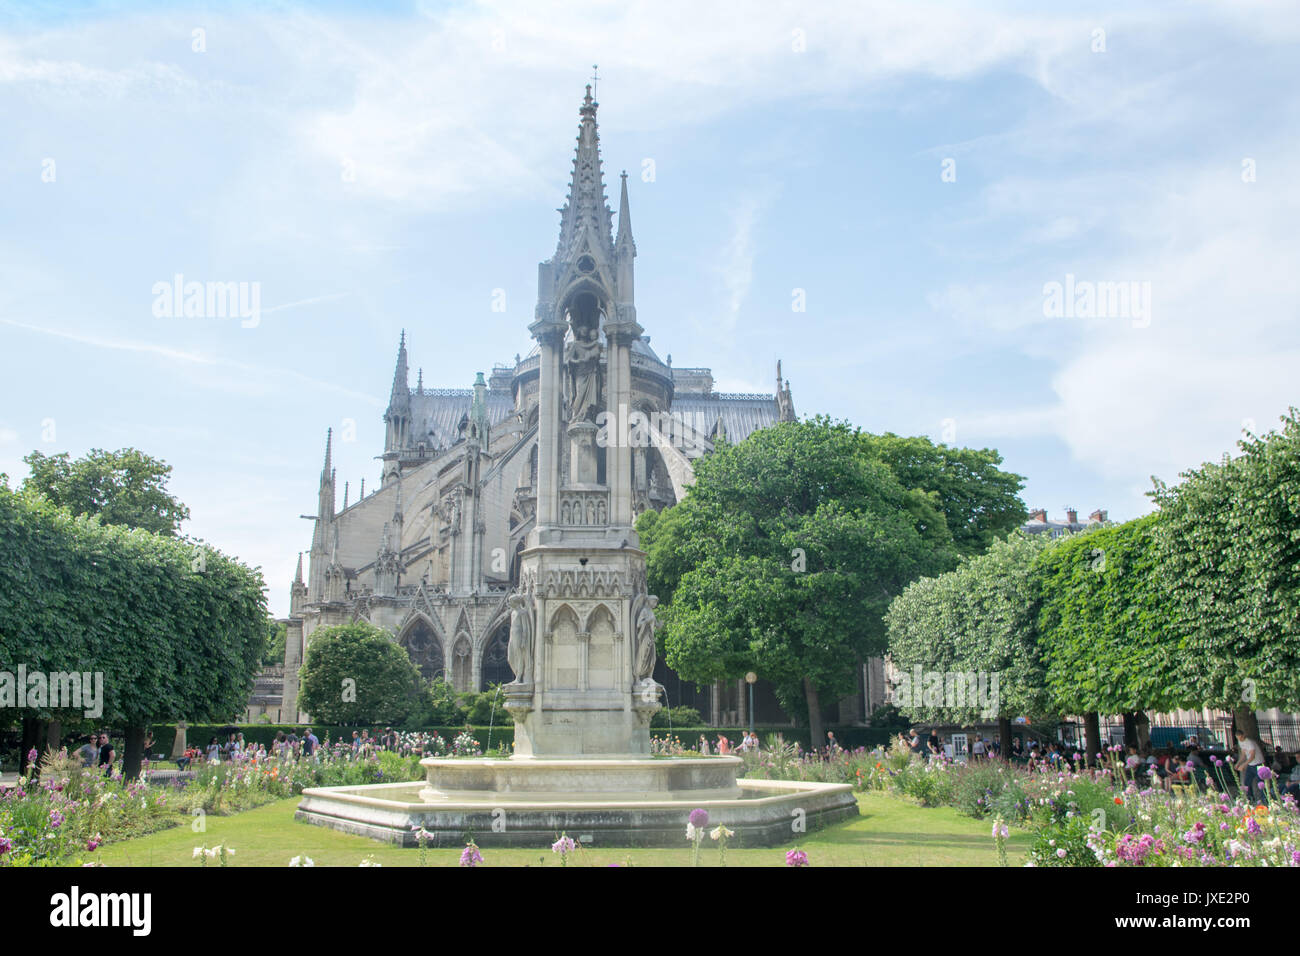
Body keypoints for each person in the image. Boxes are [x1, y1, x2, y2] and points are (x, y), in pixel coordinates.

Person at [1234, 729, 1265, 802]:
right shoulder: (1240, 742)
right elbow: (1244, 755)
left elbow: (1252, 756)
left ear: (1243, 735)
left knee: (1261, 783)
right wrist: (1238, 763)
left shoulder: (1249, 742)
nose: (1240, 740)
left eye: (1241, 738)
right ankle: (1250, 799)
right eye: (1238, 738)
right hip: (1251, 765)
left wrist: (1244, 765)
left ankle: (1265, 800)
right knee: (1247, 783)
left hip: (1258, 763)